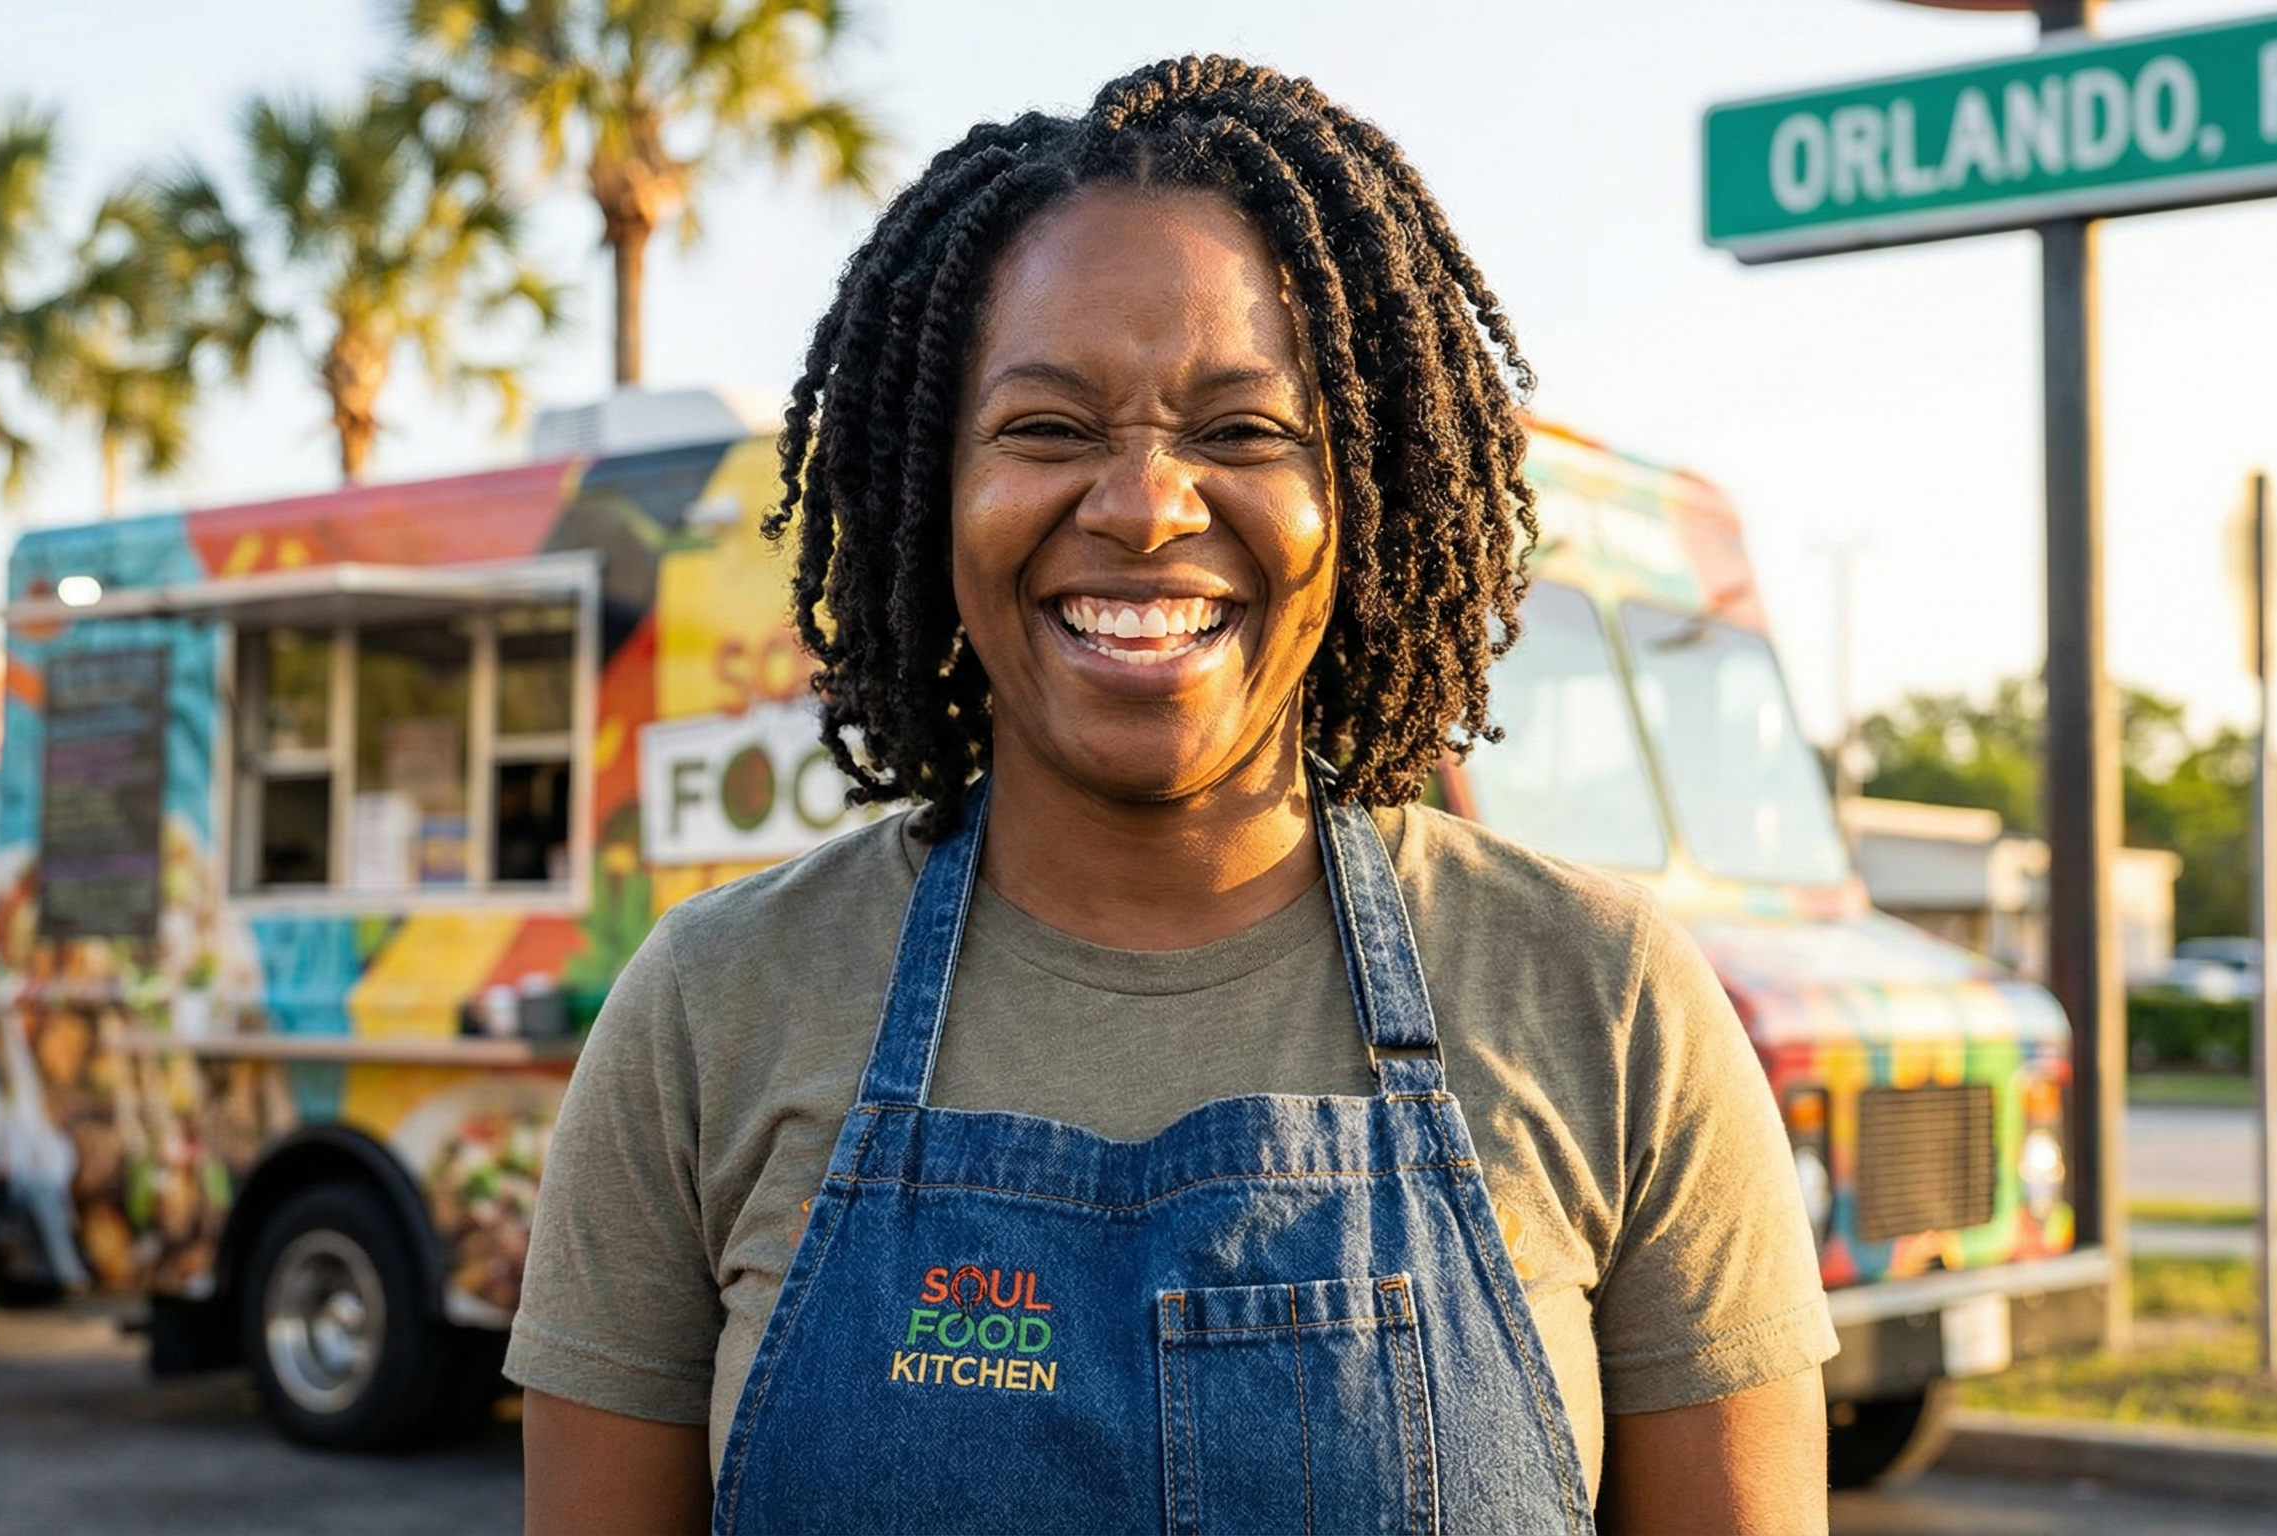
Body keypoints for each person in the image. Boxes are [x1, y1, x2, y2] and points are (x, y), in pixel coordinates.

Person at [511, 55, 1836, 1536]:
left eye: (1244, 432)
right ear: (930, 492)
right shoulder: (713, 1009)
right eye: (1046, 429)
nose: (1143, 504)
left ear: (1370, 492)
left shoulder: (1608, 1004)